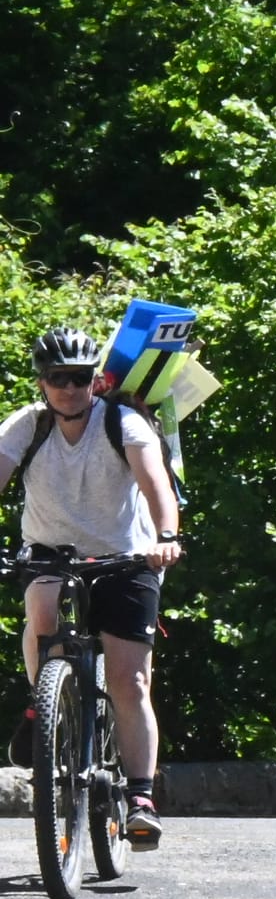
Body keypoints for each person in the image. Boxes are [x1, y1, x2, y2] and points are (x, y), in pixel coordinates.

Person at [1, 327, 182, 843]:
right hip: (50, 551)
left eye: (79, 378)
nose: (68, 388)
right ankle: (45, 704)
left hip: (128, 555)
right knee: (41, 607)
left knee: (130, 680)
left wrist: (166, 537)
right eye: (57, 378)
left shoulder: (122, 422)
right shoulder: (27, 427)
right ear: (41, 382)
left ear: (94, 380)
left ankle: (141, 796)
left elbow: (154, 485)